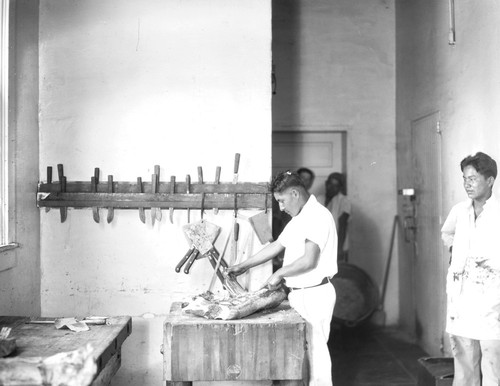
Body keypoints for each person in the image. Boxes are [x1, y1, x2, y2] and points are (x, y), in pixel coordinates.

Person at [227, 171, 337, 386]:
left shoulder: (317, 216)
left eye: (281, 200)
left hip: (315, 294)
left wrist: (278, 273)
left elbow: (309, 261)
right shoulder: (299, 218)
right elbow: (277, 245)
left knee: (316, 359)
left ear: (295, 193)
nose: (281, 207)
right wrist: (242, 266)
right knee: (299, 359)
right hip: (299, 294)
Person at [441, 151, 500, 386]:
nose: (467, 184)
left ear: (490, 180)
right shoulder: (459, 211)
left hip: (492, 300)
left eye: (473, 178)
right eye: (465, 178)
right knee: (464, 363)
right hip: (461, 298)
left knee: (492, 364)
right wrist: (455, 252)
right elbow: (447, 233)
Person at [319, 172, 351, 262]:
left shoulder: (344, 201)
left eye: (335, 186)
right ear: (326, 184)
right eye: (330, 184)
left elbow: (342, 225)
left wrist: (339, 249)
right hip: (321, 244)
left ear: (340, 188)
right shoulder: (319, 199)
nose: (331, 188)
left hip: (337, 244)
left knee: (338, 273)